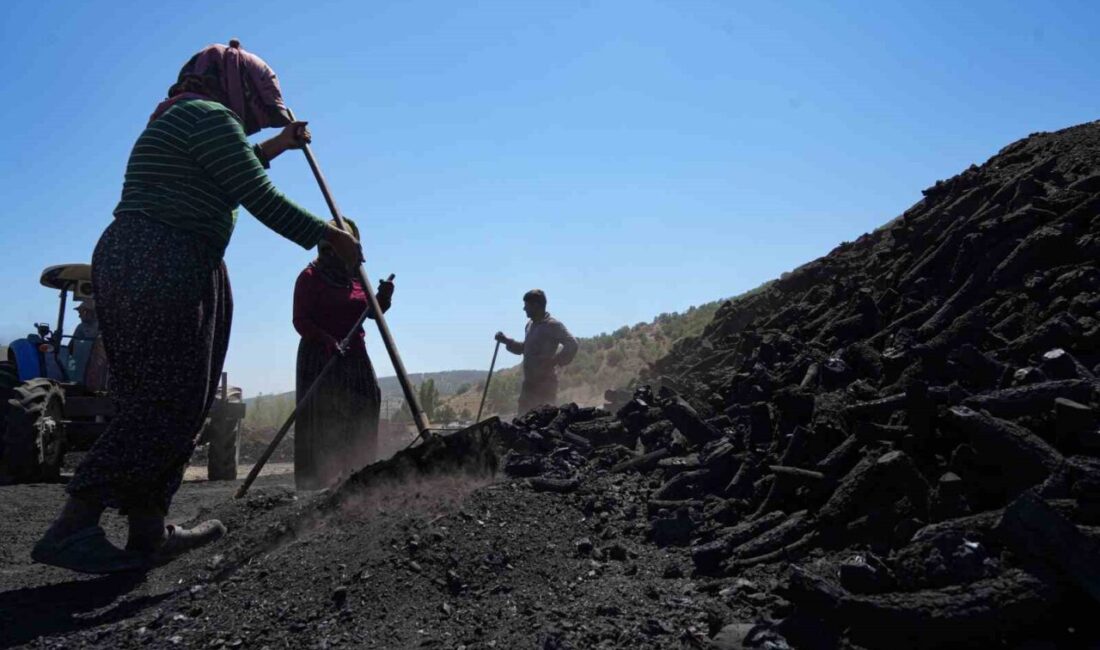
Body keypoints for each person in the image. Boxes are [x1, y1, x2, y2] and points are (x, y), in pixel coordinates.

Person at [33, 41, 362, 575]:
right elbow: (255, 192)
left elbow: (238, 167)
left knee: (177, 398)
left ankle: (148, 528)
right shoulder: (206, 115)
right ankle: (74, 524)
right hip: (163, 256)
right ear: (238, 85)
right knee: (166, 397)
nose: (258, 115)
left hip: (157, 254)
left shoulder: (191, 118)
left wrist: (278, 144)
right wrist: (328, 237)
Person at [292, 217, 394, 490]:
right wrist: (327, 340)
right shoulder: (309, 277)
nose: (331, 253)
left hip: (355, 357)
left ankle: (357, 476)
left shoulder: (356, 277)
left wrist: (383, 298)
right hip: (320, 358)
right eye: (327, 248)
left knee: (366, 402)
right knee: (324, 418)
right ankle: (318, 483)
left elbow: (371, 313)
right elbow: (300, 321)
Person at [495, 289, 579, 414]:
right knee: (522, 422)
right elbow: (524, 348)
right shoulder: (530, 325)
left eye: (526, 305)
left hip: (545, 385)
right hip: (529, 385)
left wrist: (555, 361)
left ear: (536, 305)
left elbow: (572, 344)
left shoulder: (552, 325)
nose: (524, 309)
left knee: (541, 421)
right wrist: (506, 341)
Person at [68, 299, 100, 383]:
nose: (79, 316)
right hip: (82, 363)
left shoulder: (102, 327)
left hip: (98, 365)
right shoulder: (81, 327)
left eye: (81, 313)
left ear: (90, 312)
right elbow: (71, 347)